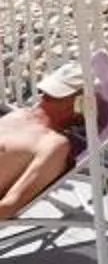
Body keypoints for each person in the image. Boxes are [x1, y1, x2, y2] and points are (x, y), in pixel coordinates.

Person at [0, 62, 92, 217]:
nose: (44, 98)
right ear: (80, 103)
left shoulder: (54, 145)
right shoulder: (21, 115)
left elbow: (10, 204)